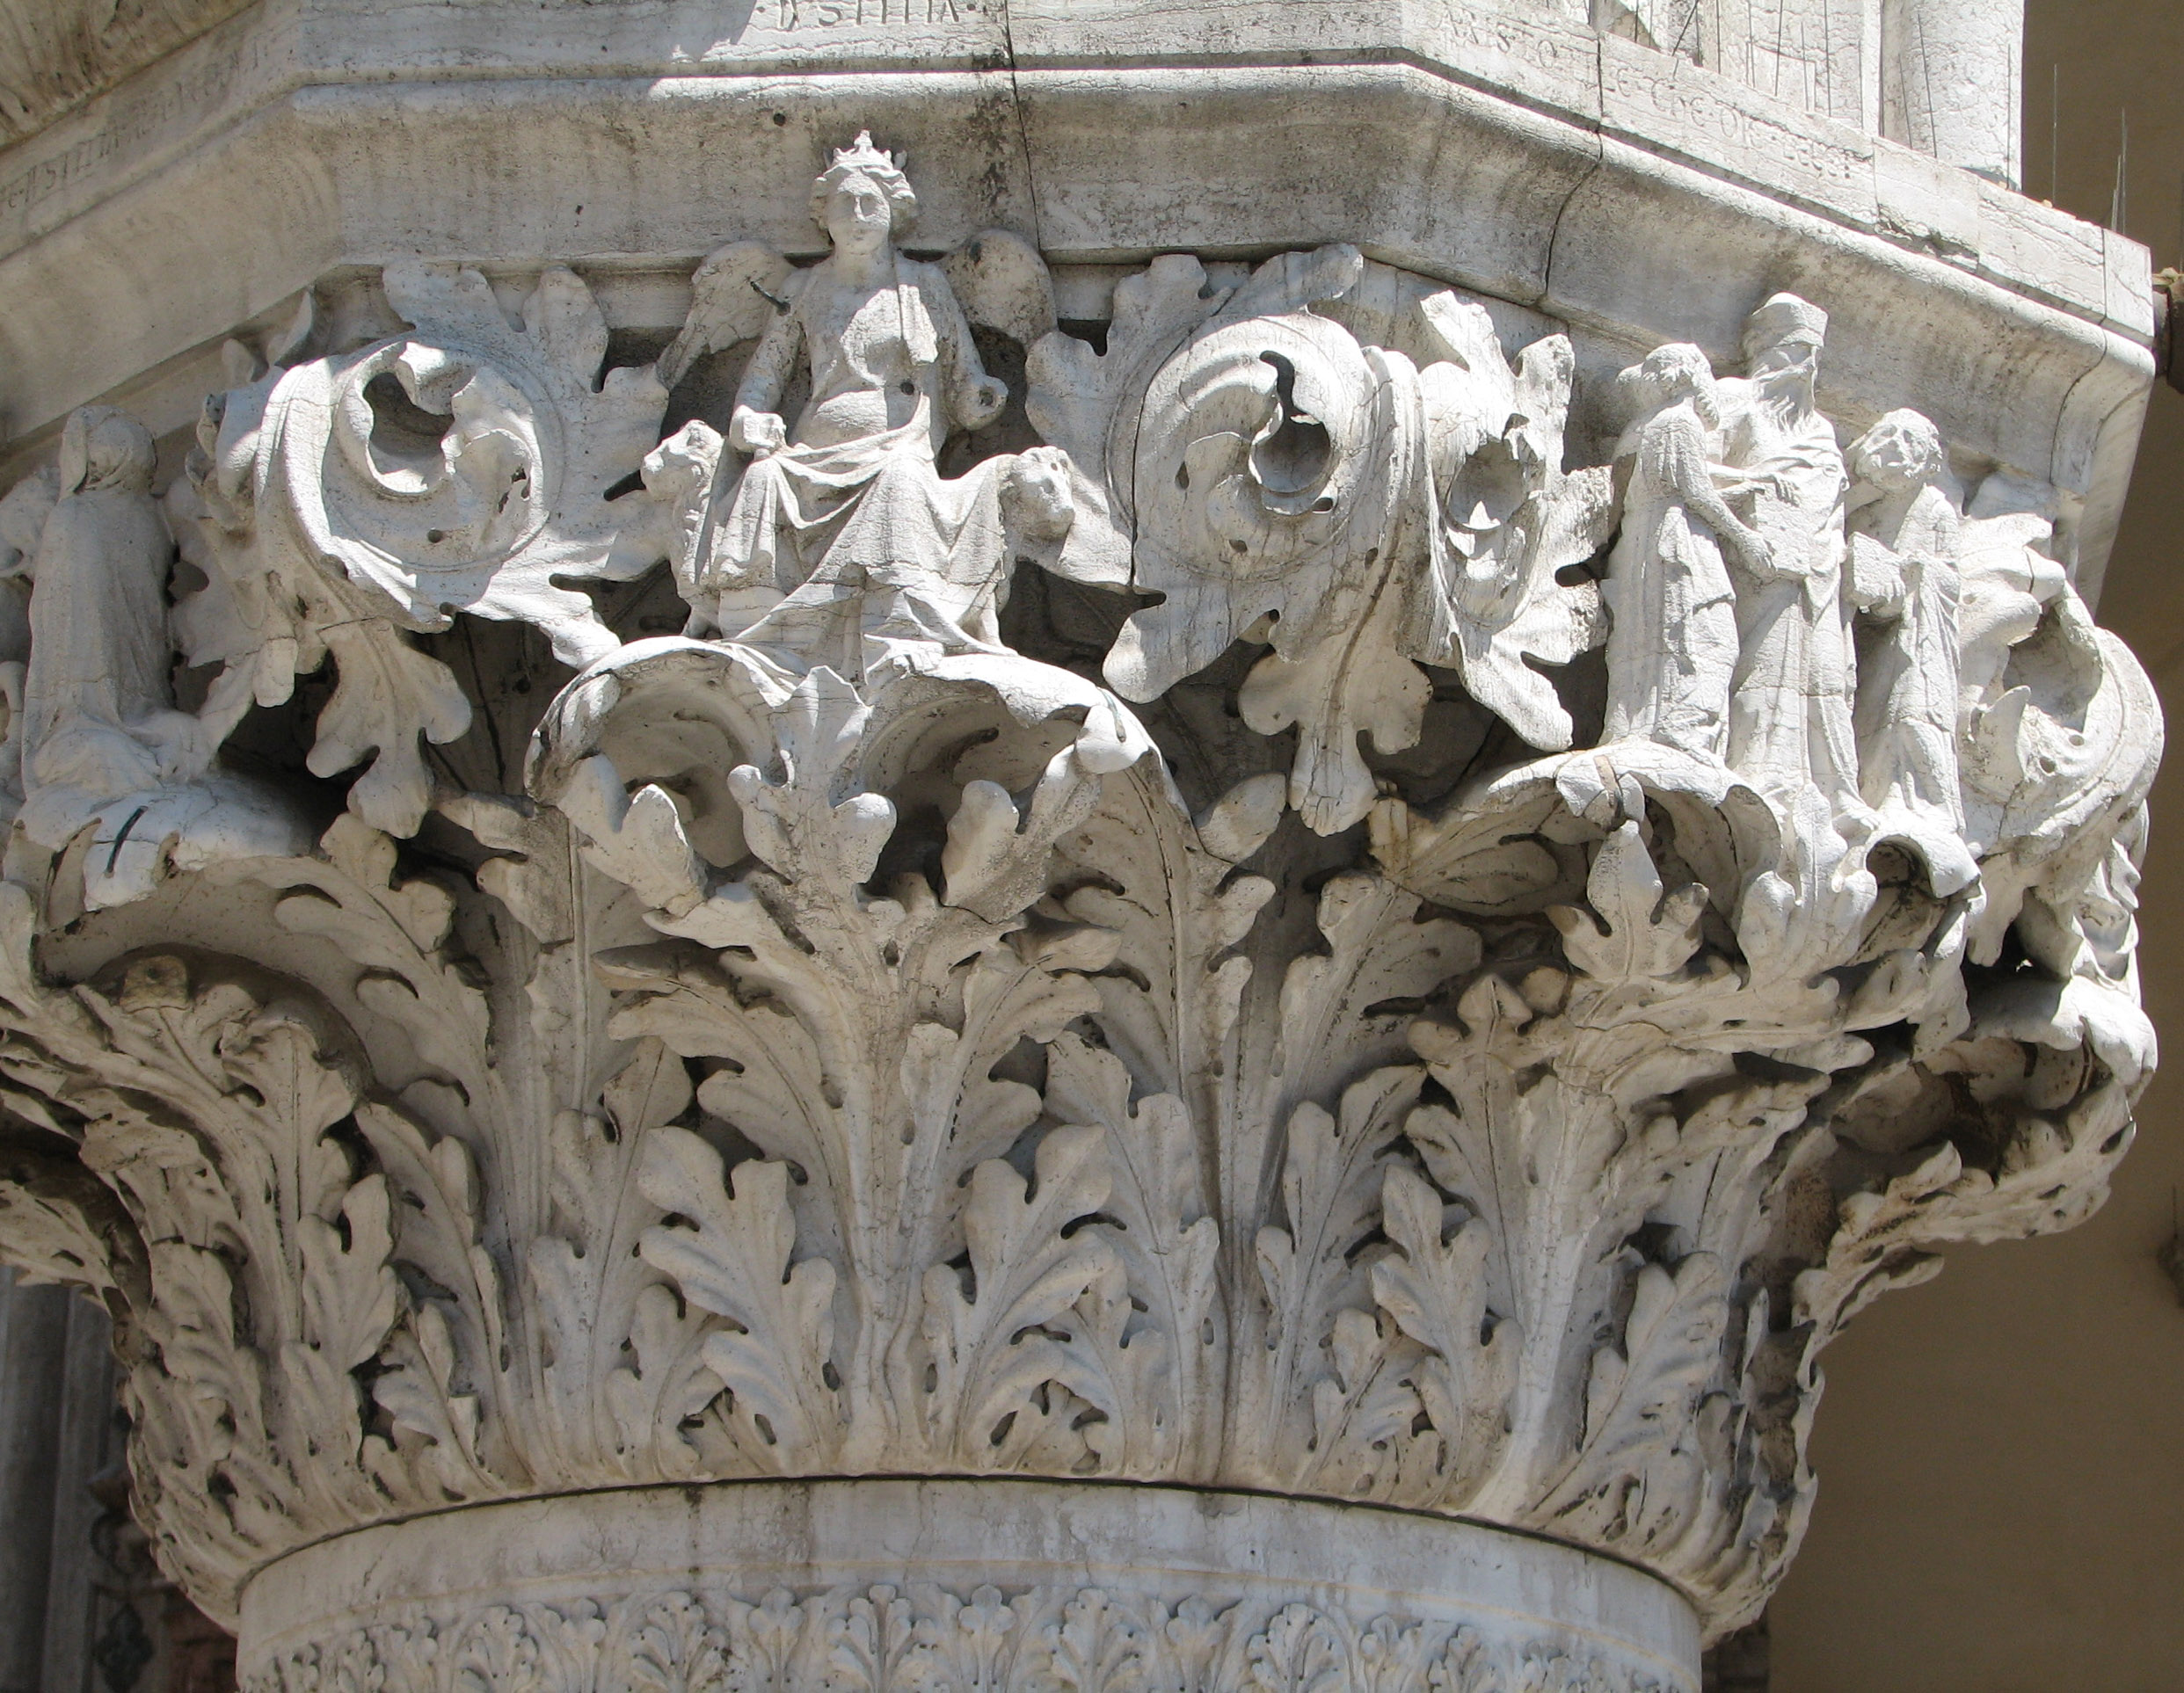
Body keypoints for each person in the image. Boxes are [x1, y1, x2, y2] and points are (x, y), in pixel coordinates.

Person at [700, 133, 1022, 686]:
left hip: (898, 449)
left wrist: (982, 397)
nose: (857, 215)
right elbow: (762, 381)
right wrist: (749, 421)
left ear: (893, 213)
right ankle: (762, 625)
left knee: (899, 479)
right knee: (765, 475)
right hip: (812, 452)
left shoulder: (924, 286)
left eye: (869, 203)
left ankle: (897, 625)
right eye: (844, 203)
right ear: (822, 215)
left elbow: (964, 382)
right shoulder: (805, 289)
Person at [1713, 294, 1866, 828]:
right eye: (1795, 352)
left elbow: (1833, 500)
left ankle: (1833, 790)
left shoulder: (1821, 430)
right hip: (1755, 560)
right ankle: (1758, 772)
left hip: (1819, 570)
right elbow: (1692, 469)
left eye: (1813, 357)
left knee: (1828, 677)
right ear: (1765, 353)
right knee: (1763, 668)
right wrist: (1751, 491)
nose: (1806, 368)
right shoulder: (1735, 399)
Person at [1601, 343, 1770, 761]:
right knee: (1708, 637)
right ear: (1687, 375)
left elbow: (1686, 476)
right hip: (1678, 538)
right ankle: (1683, 730)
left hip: (1651, 535)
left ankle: (1656, 725)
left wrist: (1741, 483)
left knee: (1664, 634)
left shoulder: (1658, 424)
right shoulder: (1680, 421)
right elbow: (1693, 490)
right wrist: (1744, 537)